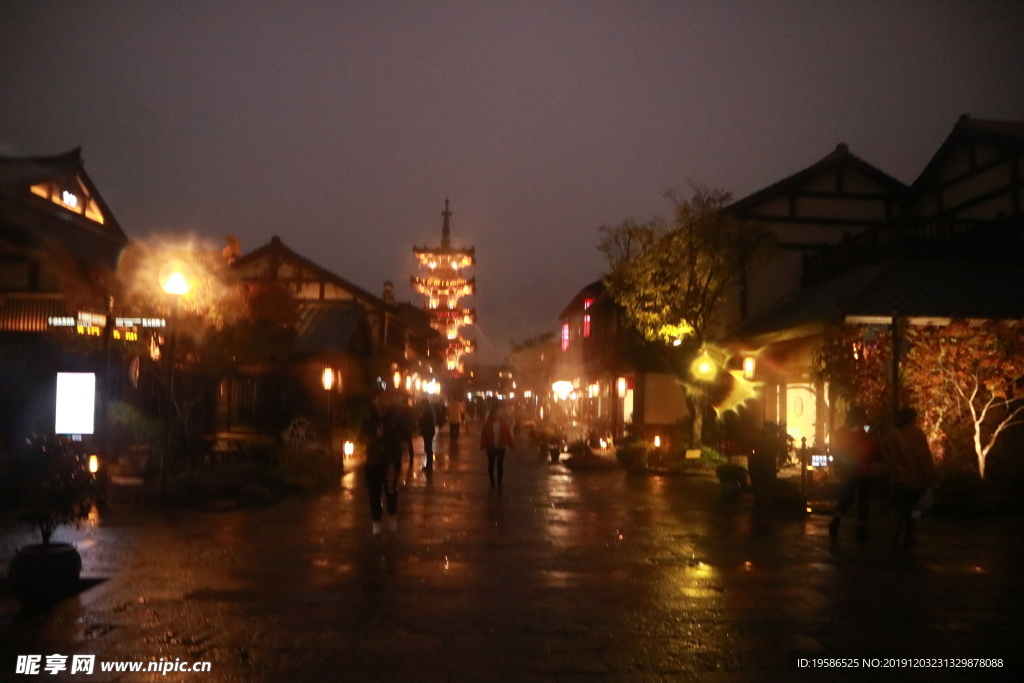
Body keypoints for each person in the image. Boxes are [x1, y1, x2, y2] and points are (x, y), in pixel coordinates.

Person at [882, 407, 935, 547]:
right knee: (913, 506)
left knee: (899, 504)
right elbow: (923, 455)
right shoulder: (916, 434)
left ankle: (897, 529)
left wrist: (894, 466)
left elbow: (884, 452)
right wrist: (929, 473)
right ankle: (909, 534)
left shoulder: (891, 434)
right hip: (915, 476)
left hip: (898, 477)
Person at [361, 389, 412, 535]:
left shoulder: (396, 417)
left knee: (391, 489)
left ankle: (392, 516)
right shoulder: (369, 418)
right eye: (380, 399)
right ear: (375, 400)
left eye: (385, 399)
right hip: (373, 461)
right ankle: (376, 520)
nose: (382, 402)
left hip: (391, 459)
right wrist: (374, 436)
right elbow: (362, 437)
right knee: (374, 492)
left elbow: (405, 435)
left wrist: (389, 435)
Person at [828, 406, 881, 543]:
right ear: (859, 418)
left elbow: (838, 450)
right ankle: (861, 530)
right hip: (863, 470)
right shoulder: (865, 433)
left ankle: (836, 521)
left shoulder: (840, 433)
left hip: (847, 470)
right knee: (863, 500)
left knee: (848, 497)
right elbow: (873, 448)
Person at [480, 399, 514, 490]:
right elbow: (484, 434)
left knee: (500, 464)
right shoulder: (488, 424)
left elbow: (508, 434)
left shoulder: (504, 424)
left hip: (501, 446)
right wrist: (482, 444)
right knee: (491, 464)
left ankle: (499, 481)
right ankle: (492, 481)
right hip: (490, 446)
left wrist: (511, 444)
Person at [417, 398, 437, 472]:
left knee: (428, 448)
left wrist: (420, 419)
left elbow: (425, 421)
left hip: (427, 431)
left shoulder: (427, 411)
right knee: (428, 448)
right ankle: (429, 465)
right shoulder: (429, 410)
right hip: (429, 431)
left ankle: (429, 466)